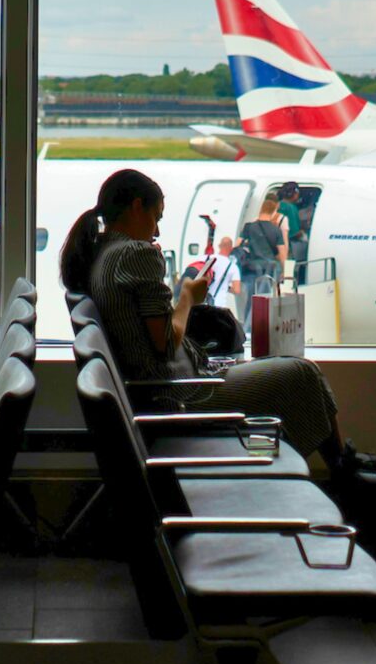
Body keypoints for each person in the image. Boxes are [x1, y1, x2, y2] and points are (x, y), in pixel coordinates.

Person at [59, 167, 347, 468]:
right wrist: (187, 298)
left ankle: (341, 466)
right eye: (156, 218)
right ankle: (342, 472)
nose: (156, 231)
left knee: (298, 374)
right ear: (136, 207)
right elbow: (166, 342)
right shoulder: (135, 254)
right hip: (181, 395)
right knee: (303, 374)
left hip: (160, 390)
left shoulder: (102, 254)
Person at [236, 198, 286, 331]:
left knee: (252, 298)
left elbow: (237, 245)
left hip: (252, 269)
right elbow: (282, 253)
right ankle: (264, 327)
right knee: (267, 299)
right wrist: (283, 270)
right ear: (274, 211)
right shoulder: (275, 230)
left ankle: (248, 327)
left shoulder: (249, 227)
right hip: (270, 270)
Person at [207, 236, 241, 312]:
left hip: (204, 302)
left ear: (219, 246)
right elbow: (237, 290)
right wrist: (226, 287)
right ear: (231, 249)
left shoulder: (207, 259)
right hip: (220, 305)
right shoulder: (233, 267)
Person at [277, 181, 307, 264]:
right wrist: (303, 234)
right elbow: (294, 233)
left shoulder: (277, 205)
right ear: (295, 193)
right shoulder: (290, 208)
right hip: (287, 247)